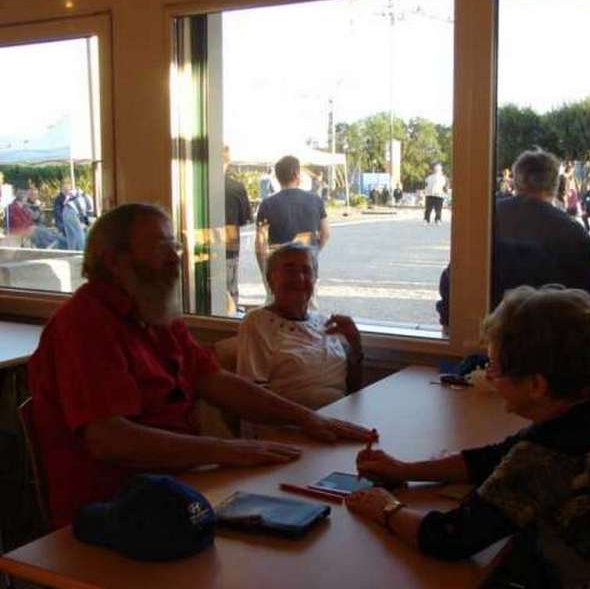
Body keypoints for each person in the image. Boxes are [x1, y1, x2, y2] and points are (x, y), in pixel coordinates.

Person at [346, 286, 590, 587]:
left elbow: (451, 538)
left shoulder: (549, 455)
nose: (491, 376)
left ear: (535, 384)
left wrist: (385, 507)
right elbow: (498, 456)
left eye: (495, 367)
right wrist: (406, 468)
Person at [28, 203, 374, 529]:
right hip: (114, 512)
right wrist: (227, 450)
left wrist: (307, 418)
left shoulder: (157, 316)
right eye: (161, 246)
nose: (175, 257)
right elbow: (110, 440)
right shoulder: (84, 325)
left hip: (177, 489)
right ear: (115, 261)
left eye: (174, 246)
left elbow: (217, 381)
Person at [237, 243, 363, 434]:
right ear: (270, 280)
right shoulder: (257, 323)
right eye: (289, 270)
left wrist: (355, 344)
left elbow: (351, 390)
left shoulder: (324, 323)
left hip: (339, 423)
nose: (299, 278)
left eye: (306, 270)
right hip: (292, 432)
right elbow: (251, 397)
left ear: (315, 279)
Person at [493, 149, 590, 308]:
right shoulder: (573, 231)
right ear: (555, 185)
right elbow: (587, 296)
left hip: (488, 322)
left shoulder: (486, 218)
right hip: (550, 325)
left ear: (515, 181)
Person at [255, 155, 330, 280]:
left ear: (278, 177)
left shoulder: (267, 205)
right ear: (296, 174)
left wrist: (265, 272)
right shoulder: (316, 200)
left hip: (279, 271)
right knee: (307, 299)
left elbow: (260, 245)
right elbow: (326, 233)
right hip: (307, 269)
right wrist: (314, 252)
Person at [223, 146, 253, 308]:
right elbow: (245, 218)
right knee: (229, 290)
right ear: (228, 161)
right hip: (230, 247)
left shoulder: (199, 186)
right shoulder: (236, 188)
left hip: (201, 250)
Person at [53, 180, 87, 251]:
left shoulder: (73, 198)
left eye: (68, 189)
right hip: (62, 222)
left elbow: (81, 211)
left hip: (74, 220)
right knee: (77, 232)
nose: (67, 191)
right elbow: (58, 214)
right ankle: (80, 250)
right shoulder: (58, 199)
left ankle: (75, 250)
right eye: (65, 189)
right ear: (61, 190)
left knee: (80, 231)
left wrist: (83, 222)